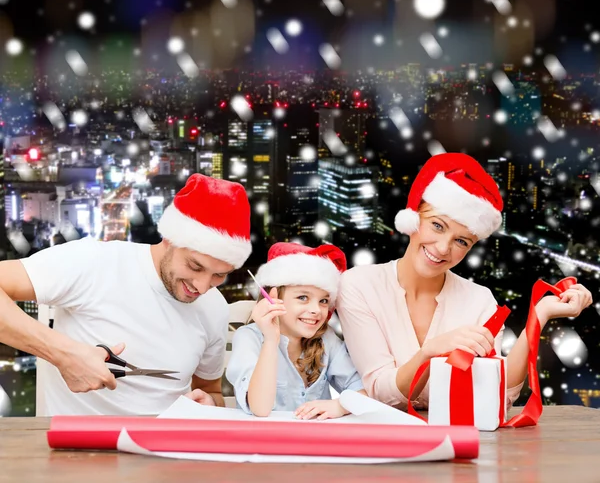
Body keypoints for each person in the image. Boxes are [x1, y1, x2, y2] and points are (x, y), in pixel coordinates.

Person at [336, 153, 593, 411]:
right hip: (385, 440)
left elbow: (498, 396)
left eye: (461, 241)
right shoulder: (358, 286)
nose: (443, 248)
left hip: (463, 440)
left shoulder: (479, 300)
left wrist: (540, 314)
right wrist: (431, 351)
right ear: (414, 218)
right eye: (437, 226)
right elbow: (381, 393)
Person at [0, 173, 252, 415]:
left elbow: (209, 390)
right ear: (169, 239)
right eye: (195, 266)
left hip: (167, 451)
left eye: (220, 275)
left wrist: (209, 404)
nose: (202, 286)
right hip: (80, 452)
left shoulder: (214, 307)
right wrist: (63, 354)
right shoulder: (92, 262)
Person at [226, 242, 365, 420]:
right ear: (273, 297)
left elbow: (364, 390)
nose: (316, 309)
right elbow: (260, 408)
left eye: (323, 301)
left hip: (315, 442)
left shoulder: (326, 338)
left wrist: (340, 405)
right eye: (303, 297)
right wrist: (270, 340)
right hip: (265, 442)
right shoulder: (248, 338)